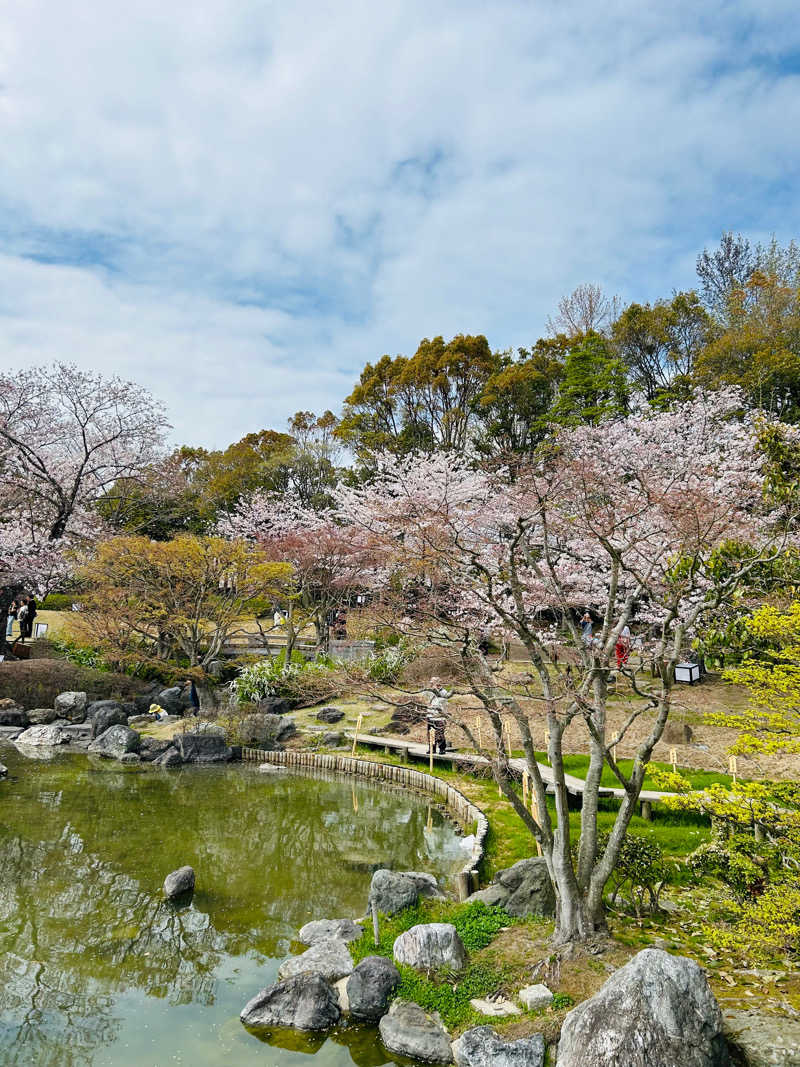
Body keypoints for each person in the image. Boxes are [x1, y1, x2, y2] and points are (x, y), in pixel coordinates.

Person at [426, 677, 451, 755]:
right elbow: (425, 697)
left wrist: (436, 691)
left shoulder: (444, 692)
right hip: (430, 715)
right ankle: (432, 748)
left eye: (432, 682)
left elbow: (442, 701)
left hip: (440, 716)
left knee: (440, 733)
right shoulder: (430, 691)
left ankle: (442, 749)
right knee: (430, 733)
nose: (431, 683)